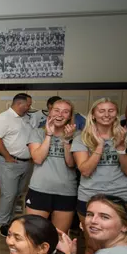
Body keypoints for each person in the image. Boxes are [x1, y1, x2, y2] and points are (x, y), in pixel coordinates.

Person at [71, 97, 127, 254]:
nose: (106, 114)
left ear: (116, 114)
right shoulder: (81, 139)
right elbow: (85, 170)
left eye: (111, 111)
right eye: (101, 110)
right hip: (90, 197)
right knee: (93, 246)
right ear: (93, 114)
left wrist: (121, 149)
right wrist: (99, 146)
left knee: (124, 245)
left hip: (122, 198)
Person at [26, 99, 78, 233]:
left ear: (70, 116)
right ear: (50, 112)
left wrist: (67, 140)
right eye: (57, 110)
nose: (60, 115)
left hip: (65, 192)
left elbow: (71, 163)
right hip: (40, 189)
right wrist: (48, 134)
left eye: (65, 112)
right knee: (34, 235)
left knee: (60, 237)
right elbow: (38, 159)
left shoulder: (78, 136)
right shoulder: (37, 133)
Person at [0, 93, 34, 237]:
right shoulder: (4, 118)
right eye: (28, 104)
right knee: (9, 194)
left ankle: (10, 221)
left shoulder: (27, 118)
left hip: (25, 162)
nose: (30, 107)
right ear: (19, 104)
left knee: (18, 193)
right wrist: (8, 157)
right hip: (9, 162)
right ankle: (3, 224)